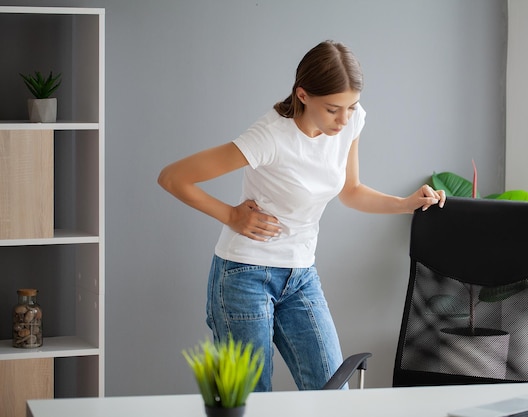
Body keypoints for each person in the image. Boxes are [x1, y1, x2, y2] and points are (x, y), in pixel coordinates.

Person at [158, 40, 445, 391]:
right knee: (250, 401)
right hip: (244, 276)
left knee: (331, 392)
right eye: (333, 109)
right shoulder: (269, 137)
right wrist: (231, 216)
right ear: (303, 95)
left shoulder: (350, 123)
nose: (344, 120)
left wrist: (406, 203)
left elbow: (351, 191)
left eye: (352, 107)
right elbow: (173, 177)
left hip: (300, 275)